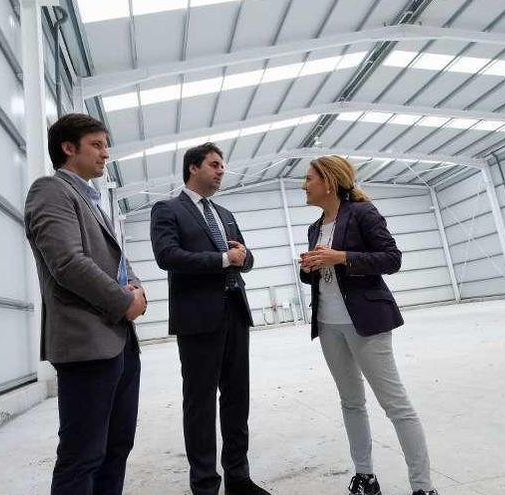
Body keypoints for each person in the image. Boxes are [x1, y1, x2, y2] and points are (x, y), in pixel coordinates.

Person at [299, 155, 439, 495]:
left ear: (329, 181)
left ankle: (422, 486)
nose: (304, 184)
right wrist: (309, 269)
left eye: (309, 178)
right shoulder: (315, 227)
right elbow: (320, 275)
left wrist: (342, 257)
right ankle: (365, 477)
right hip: (328, 324)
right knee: (350, 402)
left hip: (367, 320)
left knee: (395, 405)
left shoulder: (362, 213)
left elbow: (392, 258)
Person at [24, 113, 147, 495]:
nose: (105, 153)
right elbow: (67, 263)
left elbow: (115, 262)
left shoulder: (91, 200)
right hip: (87, 344)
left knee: (117, 447)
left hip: (119, 342)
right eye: (97, 144)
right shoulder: (50, 190)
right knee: (83, 456)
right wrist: (123, 303)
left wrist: (137, 289)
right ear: (68, 148)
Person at [150, 143, 271, 495]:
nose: (221, 171)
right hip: (198, 318)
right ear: (193, 168)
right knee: (200, 403)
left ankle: (238, 477)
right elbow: (168, 256)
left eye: (222, 166)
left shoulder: (225, 213)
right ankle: (204, 484)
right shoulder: (167, 209)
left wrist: (244, 257)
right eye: (214, 164)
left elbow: (243, 258)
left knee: (237, 398)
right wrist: (223, 259)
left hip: (234, 311)